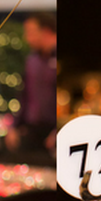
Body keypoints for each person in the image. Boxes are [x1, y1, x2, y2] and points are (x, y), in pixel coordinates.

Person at [21, 13, 58, 149]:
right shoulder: (31, 61)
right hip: (33, 130)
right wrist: (15, 126)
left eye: (30, 33)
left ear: (46, 31)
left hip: (55, 129)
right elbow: (24, 95)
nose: (27, 38)